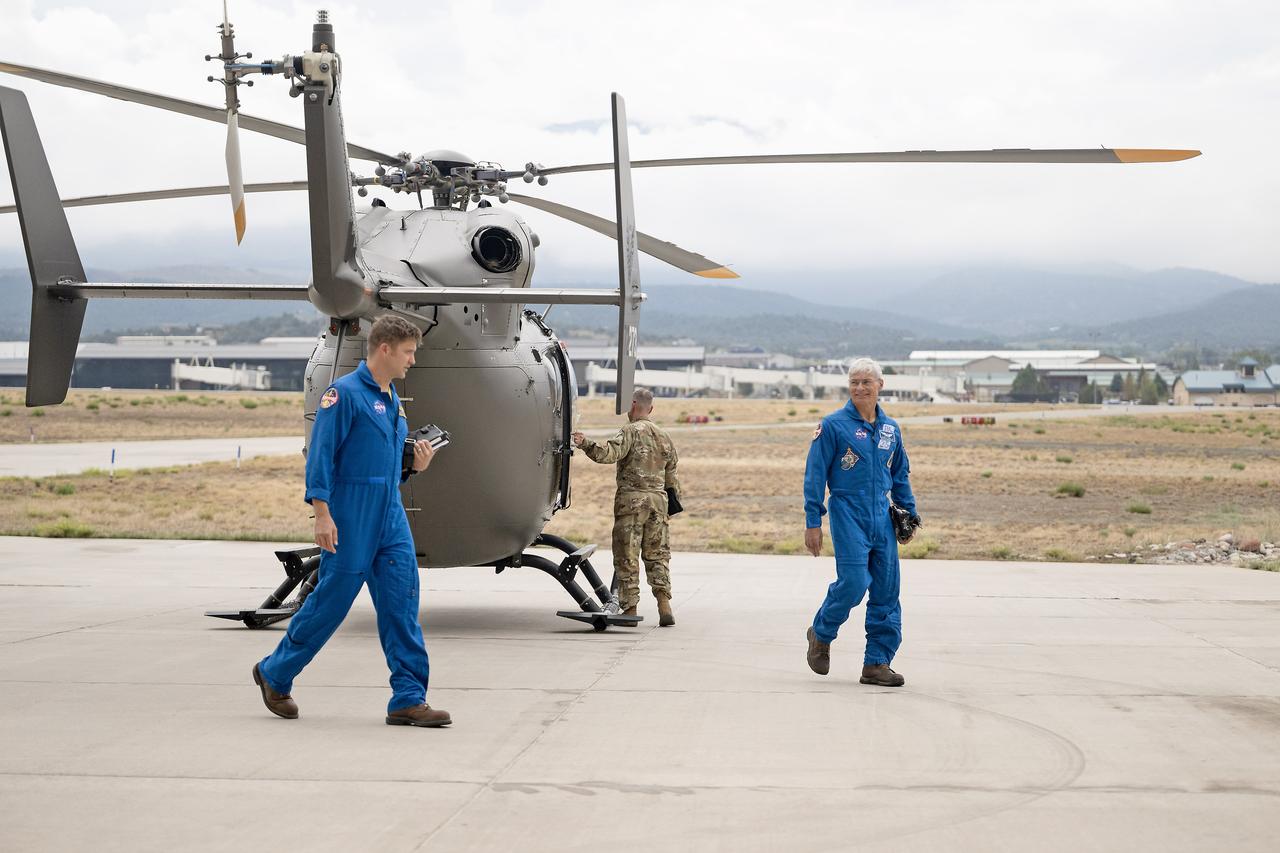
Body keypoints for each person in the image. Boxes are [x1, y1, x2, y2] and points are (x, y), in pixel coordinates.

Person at [252, 315, 451, 727]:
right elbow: (321, 456)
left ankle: (408, 698)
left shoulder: (393, 399)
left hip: (389, 514)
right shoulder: (342, 396)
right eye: (408, 352)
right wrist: (322, 514)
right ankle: (275, 673)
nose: (412, 360)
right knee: (331, 603)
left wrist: (414, 465)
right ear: (385, 349)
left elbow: (387, 465)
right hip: (349, 515)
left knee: (401, 604)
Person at [802, 357, 919, 686]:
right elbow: (814, 476)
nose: (859, 388)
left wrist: (908, 514)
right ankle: (821, 632)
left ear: (880, 385)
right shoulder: (833, 425)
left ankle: (877, 663)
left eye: (866, 382)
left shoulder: (890, 429)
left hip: (881, 516)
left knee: (886, 590)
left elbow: (900, 474)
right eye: (854, 382)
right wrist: (813, 520)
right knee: (854, 581)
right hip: (847, 511)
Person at [572, 387, 681, 627]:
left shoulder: (630, 431)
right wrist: (667, 506)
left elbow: (609, 454)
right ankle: (664, 605)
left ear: (632, 406)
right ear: (650, 409)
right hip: (658, 504)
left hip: (632, 504)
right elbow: (672, 478)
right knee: (658, 556)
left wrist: (585, 443)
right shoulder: (664, 436)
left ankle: (630, 609)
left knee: (626, 556)